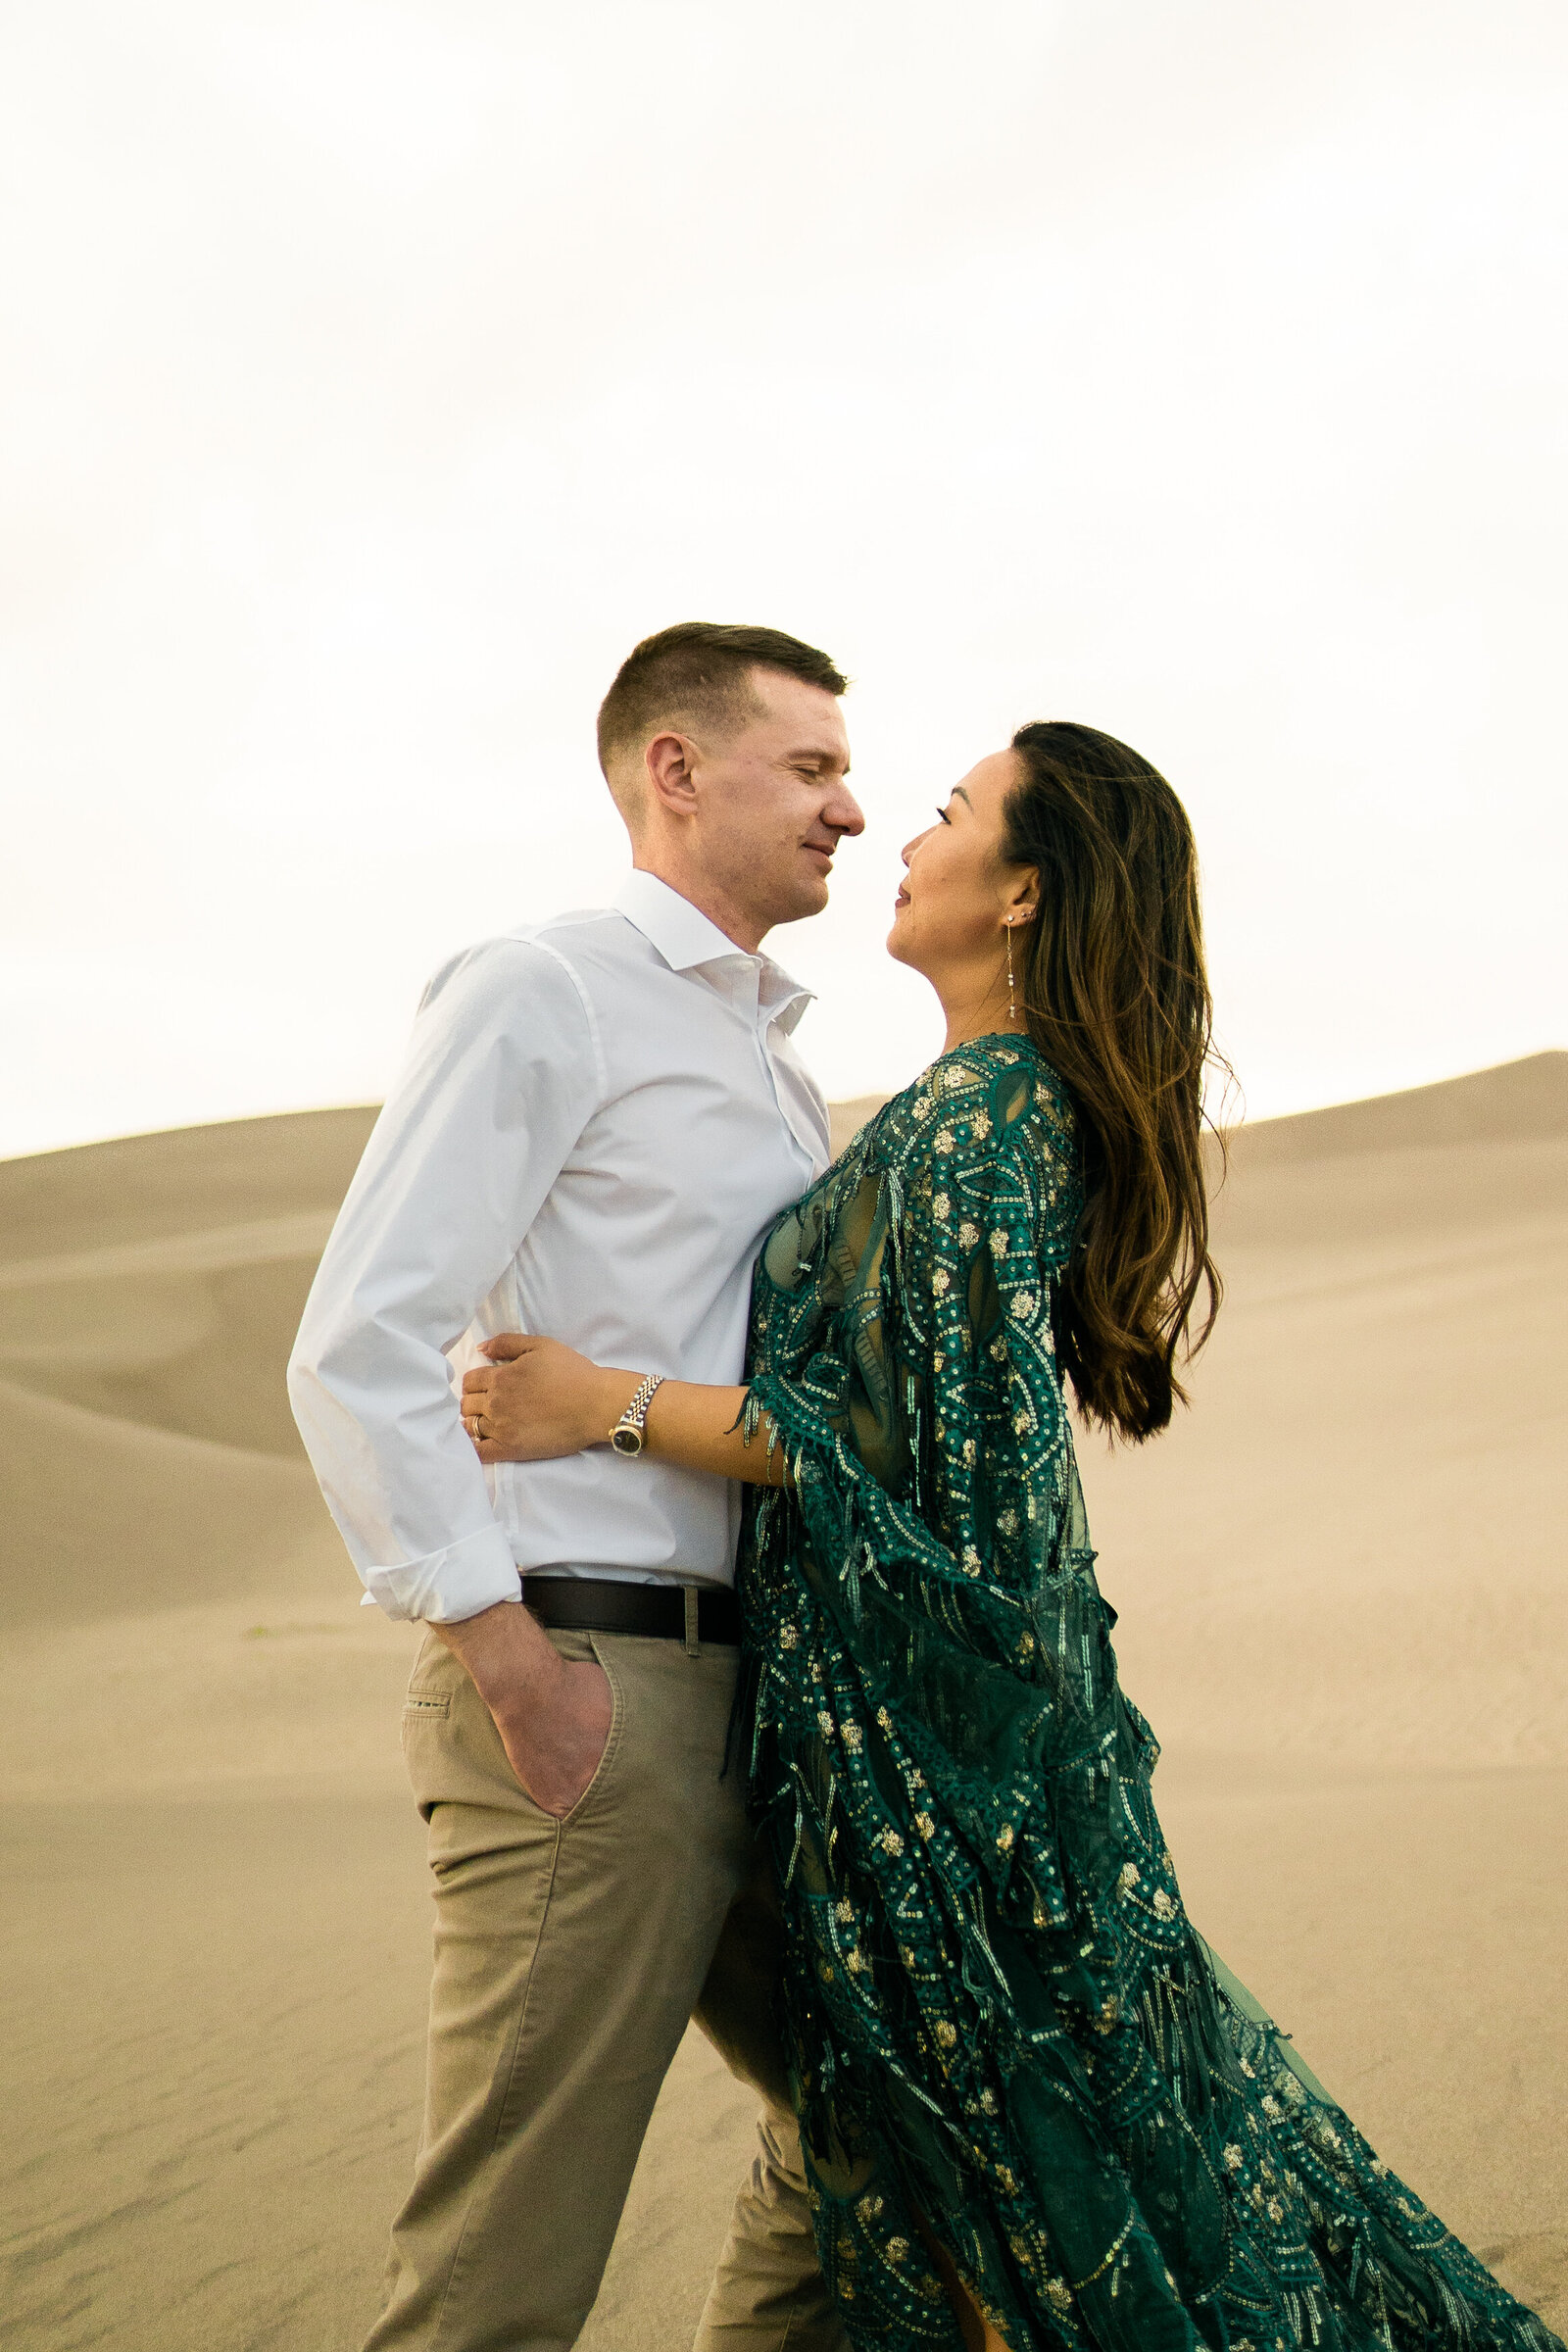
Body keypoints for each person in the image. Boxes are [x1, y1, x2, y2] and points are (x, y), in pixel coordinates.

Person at [461, 722, 1564, 2352]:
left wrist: (603, 1403)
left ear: (1026, 891)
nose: (904, 835)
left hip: (944, 1770)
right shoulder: (984, 1109)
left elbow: (915, 1463)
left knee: (1039, 2178)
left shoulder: (984, 1122)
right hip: (925, 1745)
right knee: (925, 2153)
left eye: (952, 812)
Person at [288, 621, 865, 2352]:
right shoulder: (543, 987)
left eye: (850, 770)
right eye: (814, 765)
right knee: (504, 2271)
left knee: (882, 2138)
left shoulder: (776, 1061)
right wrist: (506, 1655)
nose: (852, 806)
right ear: (675, 770)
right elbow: (361, 1341)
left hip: (752, 1699)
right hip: (586, 1679)